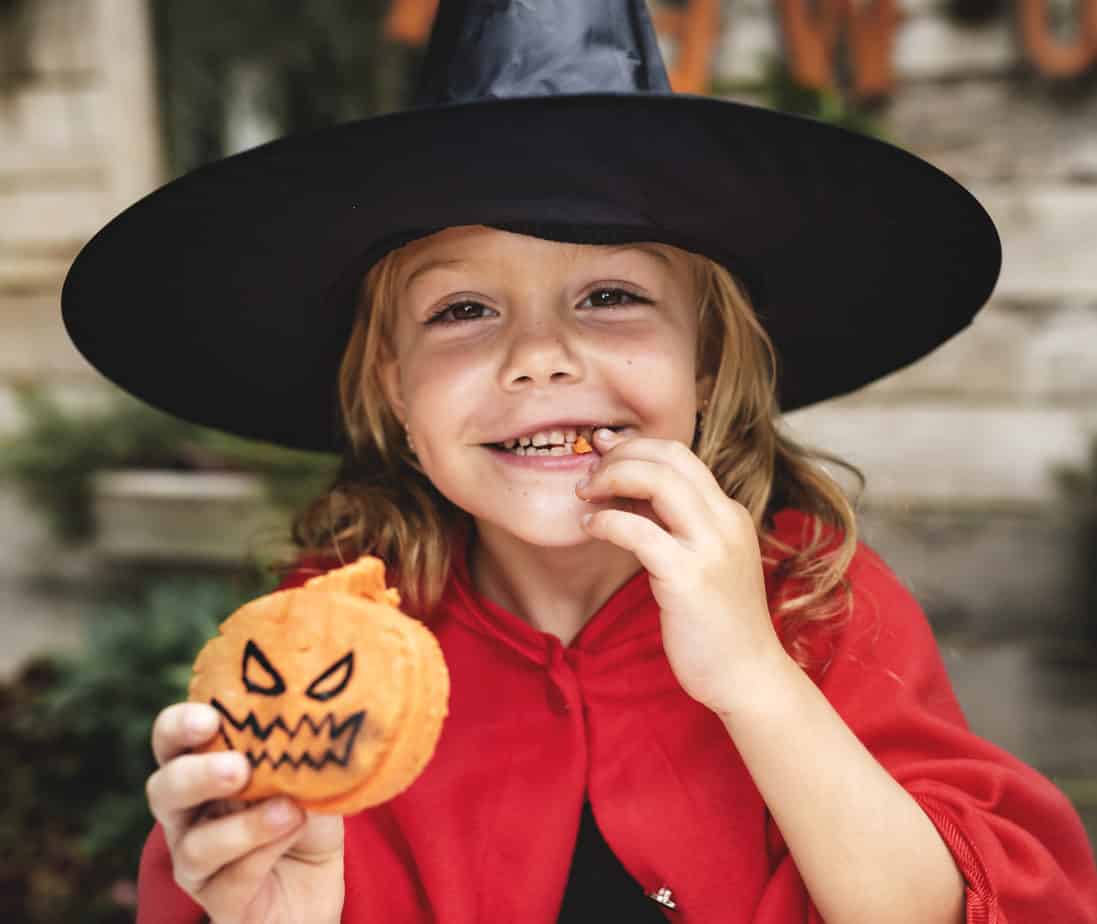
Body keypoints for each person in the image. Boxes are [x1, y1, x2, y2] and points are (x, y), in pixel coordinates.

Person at [60, 2, 1097, 922]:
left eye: (610, 295)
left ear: (705, 362)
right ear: (391, 392)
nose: (539, 358)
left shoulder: (813, 598)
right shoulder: (327, 656)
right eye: (462, 310)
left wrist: (753, 678)